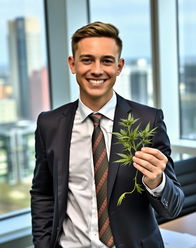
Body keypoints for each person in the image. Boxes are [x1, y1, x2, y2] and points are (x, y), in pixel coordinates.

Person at [30, 21, 184, 248]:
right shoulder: (49, 124)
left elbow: (173, 207)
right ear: (72, 64)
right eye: (87, 59)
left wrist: (157, 182)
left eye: (107, 61)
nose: (97, 70)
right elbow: (43, 193)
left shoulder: (147, 121)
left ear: (119, 67)